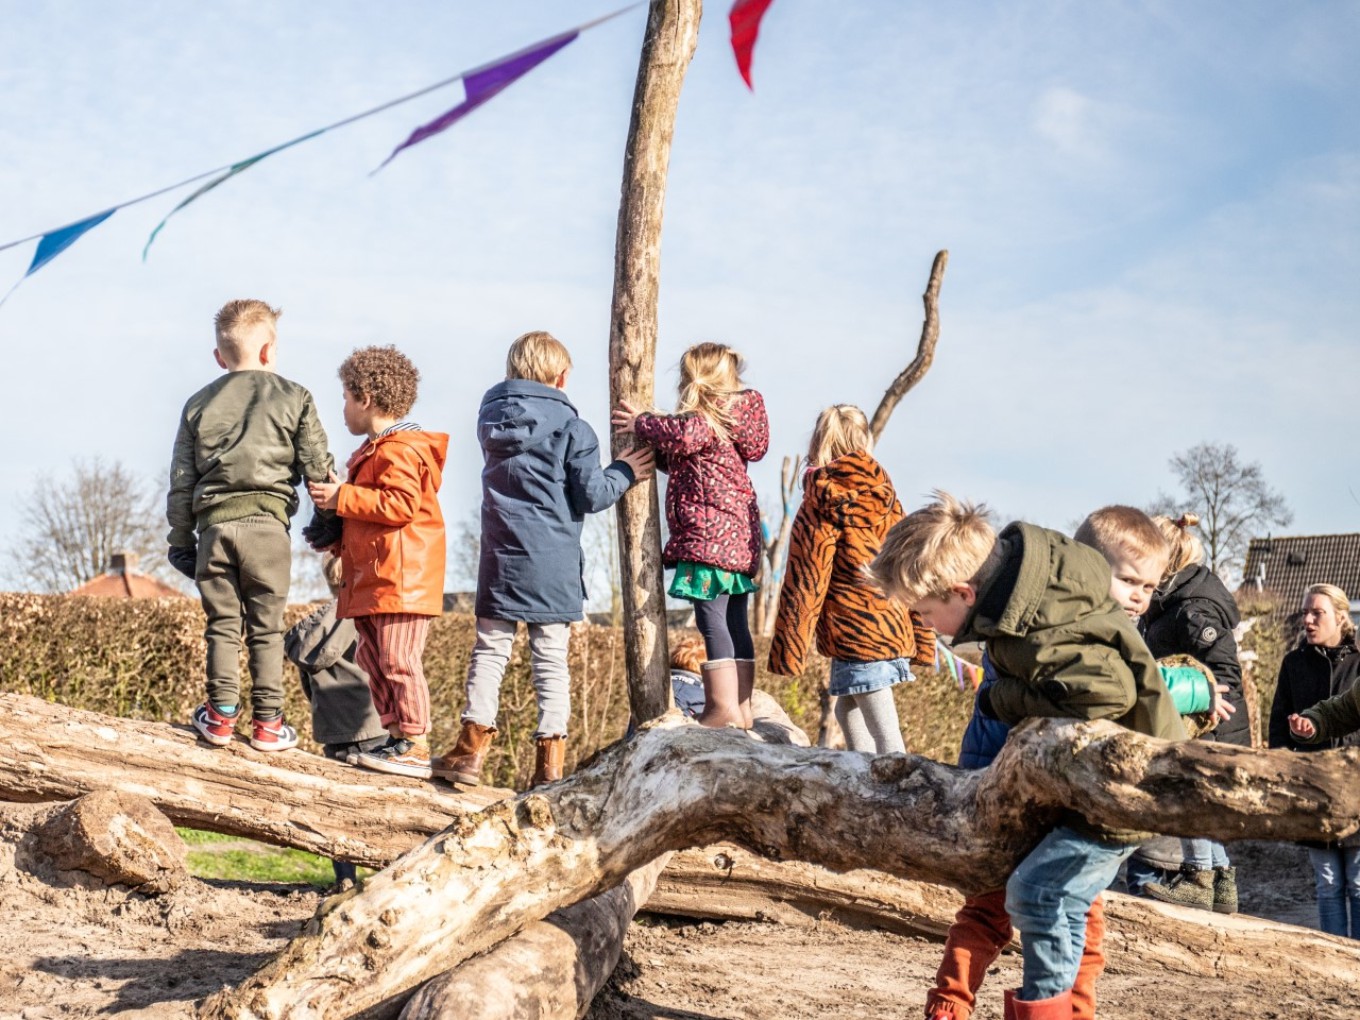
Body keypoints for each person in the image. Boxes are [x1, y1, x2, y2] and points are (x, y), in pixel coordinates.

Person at [870, 492, 1187, 1020]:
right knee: (1004, 901)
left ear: (962, 592)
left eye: (924, 613)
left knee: (1050, 902)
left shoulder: (1033, 628)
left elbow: (1109, 695)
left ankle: (1062, 1012)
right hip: (1029, 782)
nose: (923, 625)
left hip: (1104, 788)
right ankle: (956, 1004)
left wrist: (1007, 699)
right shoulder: (1015, 606)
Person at [433, 331, 652, 788]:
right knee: (550, 660)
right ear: (562, 376)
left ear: (512, 371)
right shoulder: (575, 428)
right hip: (551, 562)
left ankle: (469, 751)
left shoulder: (489, 422)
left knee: (490, 651)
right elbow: (591, 495)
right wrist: (625, 470)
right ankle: (548, 766)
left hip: (499, 558)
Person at [169, 299, 333, 753]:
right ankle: (268, 724)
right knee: (267, 627)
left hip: (215, 530)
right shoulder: (295, 397)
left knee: (221, 624)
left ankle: (219, 716)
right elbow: (318, 468)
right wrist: (327, 524)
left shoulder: (197, 405)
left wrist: (181, 541)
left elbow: (182, 483)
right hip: (268, 529)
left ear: (220, 357)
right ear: (270, 351)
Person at [307, 345, 447, 780]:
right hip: (377, 578)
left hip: (401, 581)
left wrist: (341, 496)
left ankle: (415, 742)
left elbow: (401, 504)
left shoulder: (400, 449)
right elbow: (373, 519)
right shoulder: (375, 451)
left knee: (398, 660)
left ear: (366, 398)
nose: (343, 409)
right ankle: (395, 737)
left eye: (346, 398)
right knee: (373, 659)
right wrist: (335, 530)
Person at [613, 342, 769, 729]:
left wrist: (642, 423)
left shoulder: (706, 418)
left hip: (708, 540)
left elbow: (683, 434)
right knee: (735, 621)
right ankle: (742, 708)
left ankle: (723, 707)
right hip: (735, 541)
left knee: (711, 620)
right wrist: (654, 445)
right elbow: (687, 455)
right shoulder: (730, 426)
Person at [767, 404, 934, 754]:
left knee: (889, 740)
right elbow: (912, 564)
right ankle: (864, 774)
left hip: (856, 628)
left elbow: (805, 580)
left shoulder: (821, 501)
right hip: (891, 621)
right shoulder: (887, 494)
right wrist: (921, 634)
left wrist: (789, 650)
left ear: (819, 441)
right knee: (847, 708)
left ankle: (898, 788)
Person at [1125, 512, 1250, 913]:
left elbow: (1224, 668)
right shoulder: (1174, 605)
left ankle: (1200, 874)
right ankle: (1221, 877)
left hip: (1205, 724)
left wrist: (1207, 702)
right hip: (1202, 720)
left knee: (1189, 794)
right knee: (1198, 799)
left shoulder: (1191, 608)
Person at [284, 553, 388, 884]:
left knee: (338, 808)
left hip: (333, 728)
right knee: (378, 807)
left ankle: (345, 876)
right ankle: (384, 872)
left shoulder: (318, 625)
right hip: (371, 722)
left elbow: (306, 676)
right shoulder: (361, 616)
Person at [1273, 583, 1360, 939]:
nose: (1307, 620)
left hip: (1356, 791)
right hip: (1314, 791)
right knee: (1327, 884)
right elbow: (1279, 726)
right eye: (1305, 613)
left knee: (1358, 882)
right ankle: (1334, 959)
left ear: (1341, 617)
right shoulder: (1293, 664)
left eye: (1317, 613)